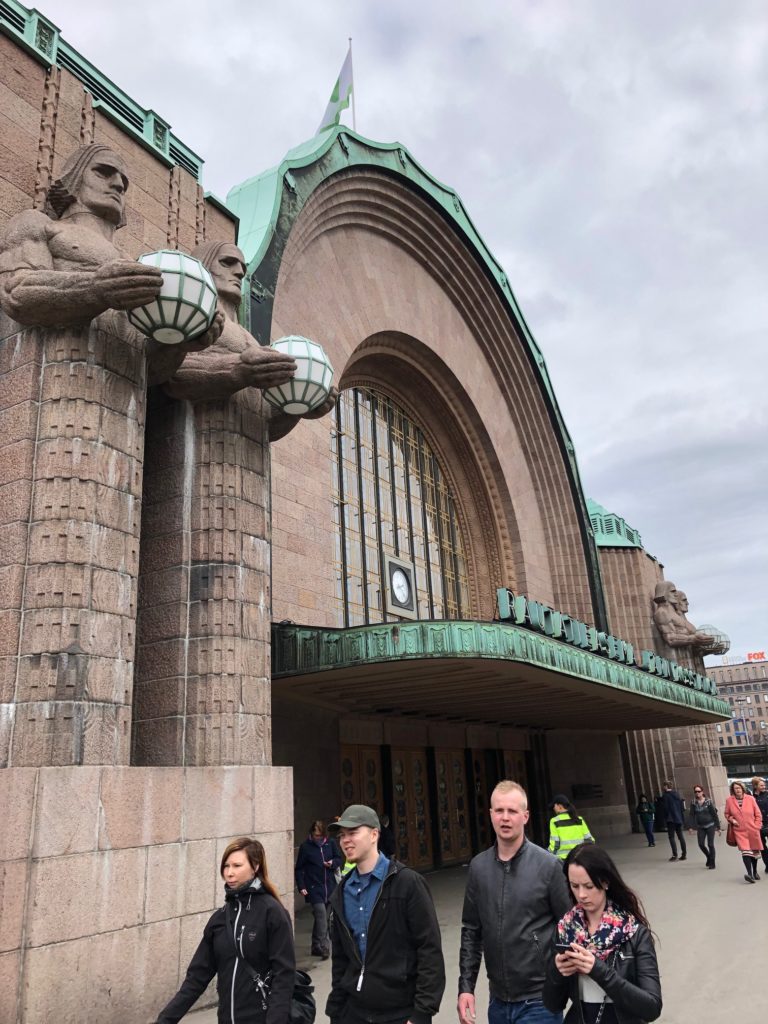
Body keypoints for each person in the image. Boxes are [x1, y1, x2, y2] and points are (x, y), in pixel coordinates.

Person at [0, 143, 219, 383]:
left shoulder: (132, 264)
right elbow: (16, 292)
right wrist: (96, 288)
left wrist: (180, 342)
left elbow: (150, 371)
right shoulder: (39, 224)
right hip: (57, 382)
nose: (117, 184)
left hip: (127, 408)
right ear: (74, 177)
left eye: (123, 184)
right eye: (103, 172)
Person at [458, 780, 571, 1024]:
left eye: (512, 811)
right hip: (497, 1001)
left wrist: (561, 982)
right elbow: (471, 931)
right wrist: (466, 987)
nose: (505, 818)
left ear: (525, 816)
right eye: (499, 811)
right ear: (490, 815)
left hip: (540, 1000)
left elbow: (570, 927)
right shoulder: (478, 867)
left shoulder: (548, 867)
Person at [326, 804, 445, 1024]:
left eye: (353, 832)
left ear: (374, 834)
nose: (345, 840)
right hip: (354, 1012)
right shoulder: (341, 893)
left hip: (400, 1012)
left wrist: (422, 1013)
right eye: (342, 835)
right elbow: (341, 960)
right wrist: (336, 1012)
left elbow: (429, 950)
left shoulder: (407, 884)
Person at [155, 837, 295, 1023]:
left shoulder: (273, 912)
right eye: (226, 866)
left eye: (237, 866)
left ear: (255, 867)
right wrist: (165, 1019)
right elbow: (197, 977)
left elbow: (284, 976)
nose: (229, 873)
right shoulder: (220, 919)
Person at [543, 843, 662, 1024]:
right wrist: (557, 973)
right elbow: (552, 1005)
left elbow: (651, 1008)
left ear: (605, 882)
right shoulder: (565, 930)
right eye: (574, 886)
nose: (581, 894)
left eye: (589, 886)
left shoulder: (633, 932)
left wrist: (599, 970)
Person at [294, 818, 343, 959]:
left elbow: (339, 859)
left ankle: (315, 945)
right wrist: (301, 886)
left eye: (320, 836)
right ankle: (324, 946)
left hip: (329, 886)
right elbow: (299, 869)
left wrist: (332, 863)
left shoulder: (331, 844)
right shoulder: (306, 847)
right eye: (315, 836)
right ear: (311, 834)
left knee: (323, 918)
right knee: (321, 915)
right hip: (314, 887)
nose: (318, 838)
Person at [724, 780, 763, 883]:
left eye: (738, 788)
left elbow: (758, 814)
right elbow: (727, 814)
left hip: (752, 829)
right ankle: (749, 874)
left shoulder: (750, 799)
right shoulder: (729, 801)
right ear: (732, 790)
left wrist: (757, 826)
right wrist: (732, 820)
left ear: (742, 788)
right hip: (739, 830)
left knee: (754, 851)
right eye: (735, 788)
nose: (737, 790)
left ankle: (754, 872)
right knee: (745, 851)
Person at [548, 795, 594, 860]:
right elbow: (590, 840)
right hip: (580, 858)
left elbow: (555, 844)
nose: (553, 808)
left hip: (563, 860)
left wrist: (548, 853)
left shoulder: (554, 821)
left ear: (559, 806)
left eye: (554, 806)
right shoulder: (579, 819)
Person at [687, 785, 721, 869]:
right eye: (695, 791)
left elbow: (714, 814)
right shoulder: (693, 802)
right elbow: (691, 815)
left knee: (710, 844)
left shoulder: (708, 801)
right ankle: (709, 856)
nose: (697, 793)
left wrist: (718, 827)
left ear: (702, 792)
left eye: (699, 791)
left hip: (710, 825)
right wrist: (690, 826)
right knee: (701, 844)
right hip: (700, 826)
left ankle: (712, 862)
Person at [660, 781, 686, 862]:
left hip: (670, 819)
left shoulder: (666, 796)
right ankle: (684, 854)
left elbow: (665, 808)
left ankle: (675, 855)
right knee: (680, 836)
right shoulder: (677, 794)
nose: (663, 787)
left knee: (671, 837)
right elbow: (682, 807)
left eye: (664, 786)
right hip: (678, 818)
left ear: (666, 786)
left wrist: (665, 818)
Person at [750, 776, 768, 873]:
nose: (764, 786)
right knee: (763, 847)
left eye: (764, 784)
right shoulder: (750, 797)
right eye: (761, 785)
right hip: (758, 825)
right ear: (755, 786)